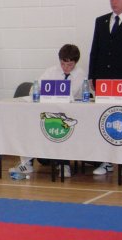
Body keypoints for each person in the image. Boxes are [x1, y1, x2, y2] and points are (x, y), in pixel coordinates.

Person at [10, 44, 86, 178]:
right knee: (30, 125)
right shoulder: (51, 71)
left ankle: (64, 164)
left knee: (63, 129)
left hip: (70, 114)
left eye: (70, 65)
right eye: (63, 64)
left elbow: (74, 96)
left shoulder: (81, 74)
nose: (66, 68)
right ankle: (27, 163)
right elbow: (34, 89)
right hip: (50, 112)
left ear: (76, 62)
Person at [88, 0, 122, 177]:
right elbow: (95, 50)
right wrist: (92, 76)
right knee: (104, 119)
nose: (114, 1)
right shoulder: (101, 21)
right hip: (104, 81)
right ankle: (106, 161)